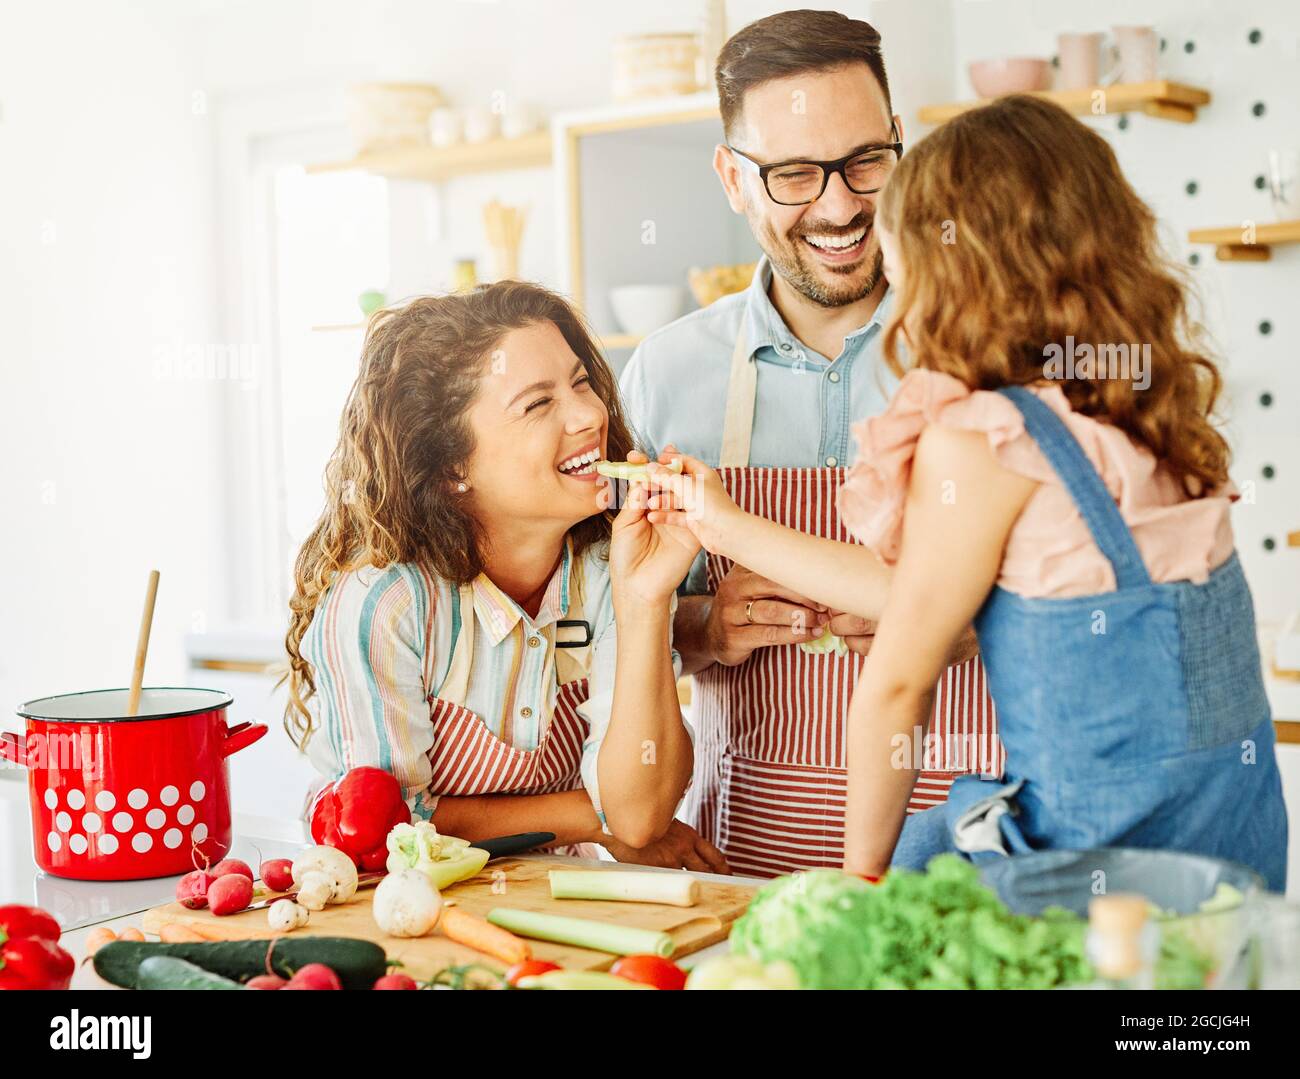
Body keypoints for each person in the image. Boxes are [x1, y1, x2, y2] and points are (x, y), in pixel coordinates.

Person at [641, 95, 1288, 891]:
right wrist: (728, 525)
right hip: (1227, 847)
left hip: (1087, 865)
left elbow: (898, 685)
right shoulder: (1140, 412)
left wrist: (861, 886)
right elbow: (920, 589)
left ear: (950, 266)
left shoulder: (984, 439)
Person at [619, 9, 995, 877]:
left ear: (902, 141)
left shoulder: (984, 353)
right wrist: (705, 626)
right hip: (744, 862)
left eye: (866, 160)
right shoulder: (664, 375)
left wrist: (952, 623)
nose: (839, 206)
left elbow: (1072, 596)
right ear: (731, 176)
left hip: (966, 854)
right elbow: (600, 628)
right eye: (793, 174)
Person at [283, 281, 727, 873]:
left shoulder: (611, 567)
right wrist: (596, 819)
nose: (591, 414)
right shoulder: (385, 603)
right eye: (538, 403)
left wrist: (644, 598)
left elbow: (641, 816)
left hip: (555, 890)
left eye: (581, 382)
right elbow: (391, 828)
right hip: (400, 901)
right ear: (452, 467)